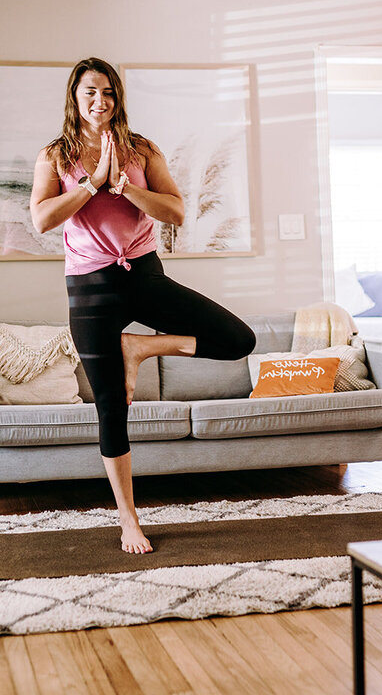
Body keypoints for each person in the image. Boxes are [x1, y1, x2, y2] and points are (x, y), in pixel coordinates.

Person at [30, 57, 255, 554]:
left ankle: (140, 347)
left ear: (118, 99)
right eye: (90, 92)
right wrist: (91, 185)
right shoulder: (55, 156)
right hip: (89, 288)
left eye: (108, 93)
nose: (100, 101)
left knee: (239, 339)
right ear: (74, 97)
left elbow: (175, 209)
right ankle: (129, 519)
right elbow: (42, 219)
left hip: (145, 275)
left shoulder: (141, 149)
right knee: (112, 408)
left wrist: (125, 187)